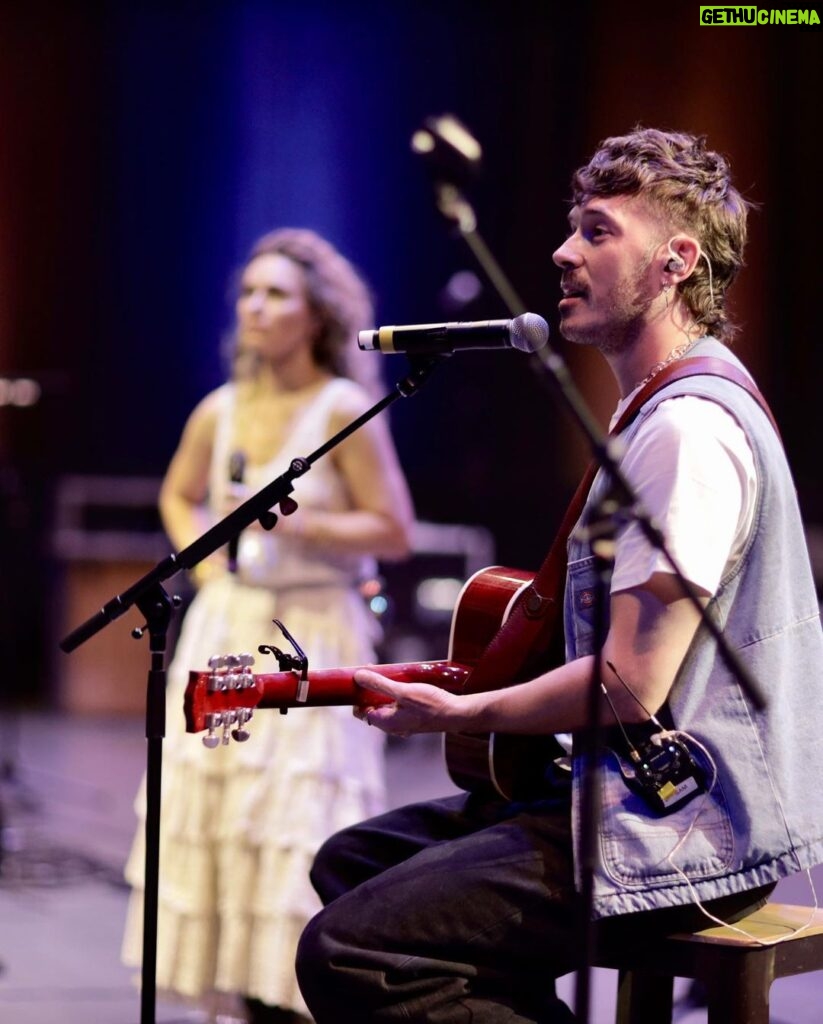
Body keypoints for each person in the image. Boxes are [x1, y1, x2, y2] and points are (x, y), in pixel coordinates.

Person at [294, 128, 823, 1023]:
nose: (561, 251)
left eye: (595, 231)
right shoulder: (653, 408)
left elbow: (627, 687)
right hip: (628, 795)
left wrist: (461, 714)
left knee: (353, 952)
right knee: (352, 866)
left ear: (673, 262)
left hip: (691, 831)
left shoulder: (685, 432)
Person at [121, 228, 414, 1023]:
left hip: (311, 629)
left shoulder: (342, 408)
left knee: (295, 823)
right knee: (222, 815)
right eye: (249, 291)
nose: (256, 306)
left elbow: (393, 529)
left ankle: (294, 997)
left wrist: (305, 526)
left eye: (277, 292)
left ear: (315, 314)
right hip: (227, 624)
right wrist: (209, 568)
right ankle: (242, 997)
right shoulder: (221, 407)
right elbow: (179, 495)